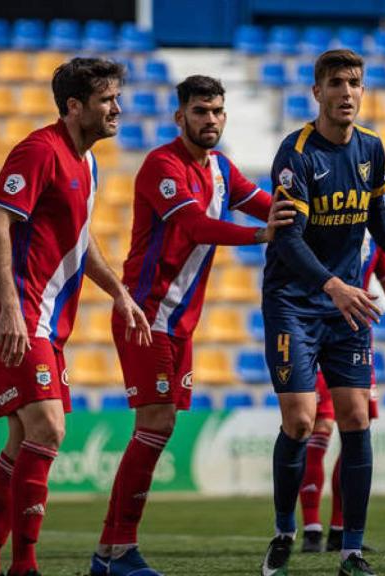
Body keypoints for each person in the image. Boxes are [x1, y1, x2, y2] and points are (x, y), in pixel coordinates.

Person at [88, 75, 292, 576]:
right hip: (146, 315)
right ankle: (117, 551)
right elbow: (196, 225)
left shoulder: (221, 168)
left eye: (218, 111)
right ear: (180, 117)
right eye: (200, 111)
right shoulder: (163, 165)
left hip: (180, 324)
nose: (211, 120)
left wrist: (313, 216)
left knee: (160, 427)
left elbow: (267, 203)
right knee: (155, 424)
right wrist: (264, 235)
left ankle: (110, 553)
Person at [0, 57, 151, 576]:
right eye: (107, 99)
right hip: (18, 315)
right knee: (48, 428)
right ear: (75, 106)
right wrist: (8, 309)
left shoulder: (88, 162)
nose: (118, 108)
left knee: (26, 439)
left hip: (45, 320)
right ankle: (24, 565)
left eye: (117, 97)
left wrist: (119, 292)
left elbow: (79, 239)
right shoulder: (38, 150)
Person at [259, 49, 385, 576]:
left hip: (346, 303)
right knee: (301, 420)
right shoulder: (296, 154)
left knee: (357, 419)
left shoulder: (372, 149)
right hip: (294, 302)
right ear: (318, 93)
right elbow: (286, 240)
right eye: (336, 83)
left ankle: (352, 550)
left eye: (355, 83)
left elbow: (376, 209)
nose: (347, 92)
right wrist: (334, 285)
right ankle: (285, 530)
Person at [300, 235, 385, 553]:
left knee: (356, 430)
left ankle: (340, 529)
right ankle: (312, 529)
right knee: (320, 428)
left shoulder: (373, 235)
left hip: (356, 339)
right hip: (317, 335)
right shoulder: (325, 223)